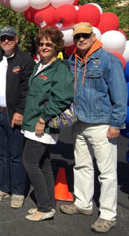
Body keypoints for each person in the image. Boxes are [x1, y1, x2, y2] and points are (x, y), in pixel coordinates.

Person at [59, 22, 127, 233]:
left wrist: (116, 123)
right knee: (82, 166)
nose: (81, 39)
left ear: (93, 36)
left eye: (85, 36)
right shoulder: (73, 60)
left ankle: (108, 214)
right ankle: (83, 204)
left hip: (101, 123)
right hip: (79, 122)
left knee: (106, 173)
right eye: (77, 36)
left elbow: (119, 94)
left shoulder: (108, 60)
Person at [21, 28, 73, 221]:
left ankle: (43, 207)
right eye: (41, 43)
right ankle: (49, 205)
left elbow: (62, 98)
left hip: (42, 124)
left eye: (49, 44)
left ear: (57, 46)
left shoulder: (60, 68)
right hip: (32, 122)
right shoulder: (39, 65)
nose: (44, 47)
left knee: (30, 162)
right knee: (43, 164)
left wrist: (43, 119)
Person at [0, 26, 35, 208]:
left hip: (13, 115)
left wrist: (21, 110)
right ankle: (2, 187)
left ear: (16, 39)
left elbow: (27, 89)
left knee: (16, 155)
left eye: (9, 38)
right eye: (2, 38)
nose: (6, 41)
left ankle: (17, 191)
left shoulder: (25, 60)